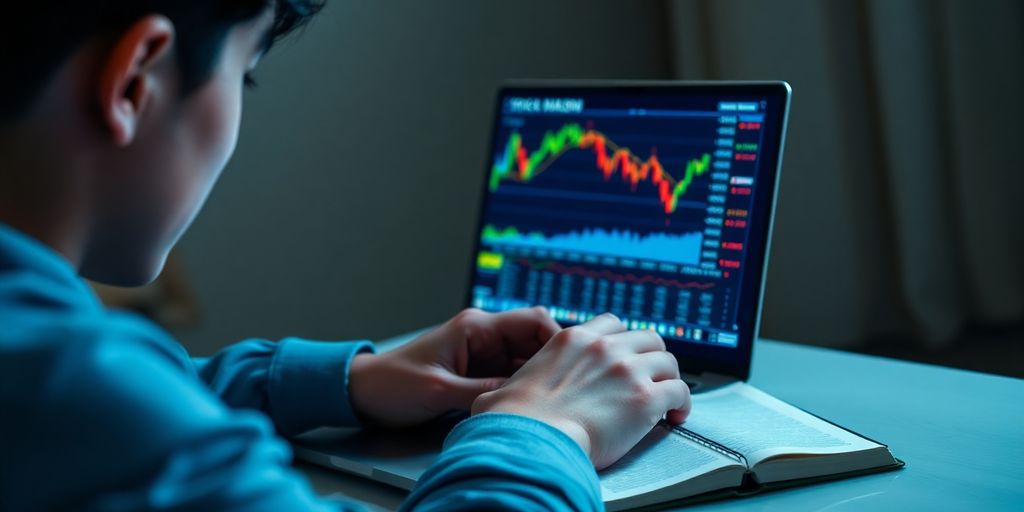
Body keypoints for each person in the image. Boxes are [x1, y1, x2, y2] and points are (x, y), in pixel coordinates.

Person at [0, 1, 692, 510]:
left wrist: (352, 379)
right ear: (134, 83)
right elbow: (99, 408)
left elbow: (96, 404)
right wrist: (543, 428)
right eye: (245, 78)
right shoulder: (78, 392)